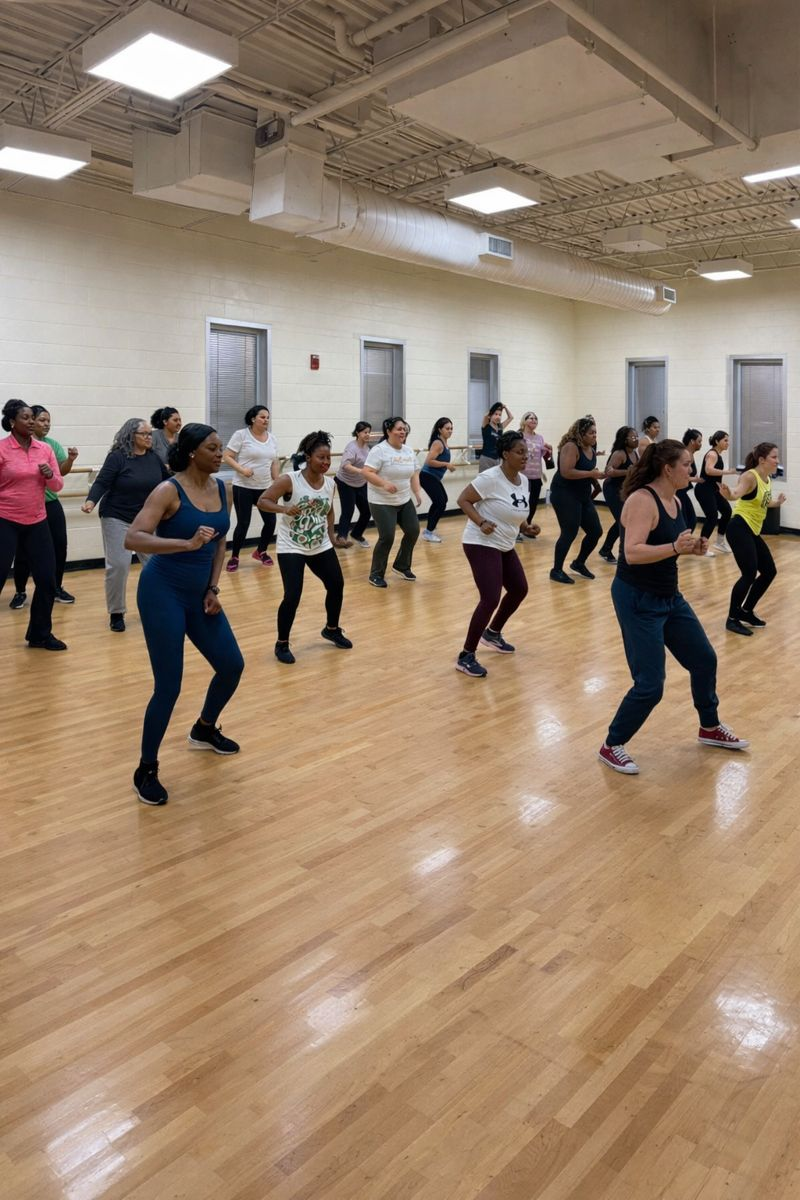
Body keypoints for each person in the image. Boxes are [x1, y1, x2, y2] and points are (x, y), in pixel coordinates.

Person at [598, 440, 748, 775]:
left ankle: (709, 726)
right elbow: (633, 553)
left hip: (669, 596)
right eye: (686, 465)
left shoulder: (676, 499)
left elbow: (671, 547)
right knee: (650, 684)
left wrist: (691, 547)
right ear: (667, 469)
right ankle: (612, 744)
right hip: (637, 598)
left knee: (704, 659)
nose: (692, 471)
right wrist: (675, 547)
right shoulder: (642, 500)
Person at [124, 424, 244, 806]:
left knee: (232, 666)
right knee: (169, 686)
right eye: (212, 448)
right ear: (192, 452)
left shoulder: (223, 489)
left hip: (199, 594)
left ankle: (204, 728)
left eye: (221, 447)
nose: (220, 454)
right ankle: (146, 768)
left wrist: (213, 588)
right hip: (162, 593)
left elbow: (220, 541)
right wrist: (186, 543)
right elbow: (133, 537)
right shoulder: (168, 490)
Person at [258, 430, 351, 664]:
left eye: (328, 458)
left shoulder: (330, 483)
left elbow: (329, 510)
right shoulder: (289, 480)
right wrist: (283, 509)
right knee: (292, 596)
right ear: (308, 457)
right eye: (321, 457)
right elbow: (263, 501)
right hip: (291, 546)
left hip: (320, 544)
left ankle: (331, 629)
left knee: (336, 585)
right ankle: (282, 643)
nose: (326, 462)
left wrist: (331, 536)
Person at [455, 430, 539, 677]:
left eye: (526, 452)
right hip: (480, 541)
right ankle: (466, 655)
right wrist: (481, 522)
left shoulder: (523, 480)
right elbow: (463, 500)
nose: (525, 456)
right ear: (505, 454)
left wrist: (525, 527)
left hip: (504, 542)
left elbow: (515, 510)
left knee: (519, 589)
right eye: (520, 452)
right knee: (490, 598)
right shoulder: (490, 478)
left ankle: (492, 634)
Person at [82, 417, 168, 632]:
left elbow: (167, 481)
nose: (149, 437)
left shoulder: (153, 458)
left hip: (145, 520)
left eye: (150, 433)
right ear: (131, 436)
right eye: (144, 434)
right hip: (117, 517)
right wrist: (91, 501)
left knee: (155, 565)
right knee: (119, 566)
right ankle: (116, 612)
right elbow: (102, 481)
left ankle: (156, 606)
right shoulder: (118, 457)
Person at [0, 399, 66, 650]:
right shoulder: (2, 449)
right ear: (11, 422)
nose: (30, 422)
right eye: (25, 418)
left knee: (47, 579)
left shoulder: (44, 449)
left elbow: (57, 486)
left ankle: (39, 634)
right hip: (5, 520)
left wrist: (50, 475)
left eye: (31, 418)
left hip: (37, 521)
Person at [10, 405, 78, 607]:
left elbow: (60, 473)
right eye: (42, 420)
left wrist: (70, 460)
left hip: (50, 503)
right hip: (25, 508)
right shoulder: (14, 446)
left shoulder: (51, 445)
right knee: (23, 551)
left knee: (59, 546)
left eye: (48, 421)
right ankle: (20, 591)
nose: (46, 424)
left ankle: (56, 588)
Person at [721, 442, 786, 636]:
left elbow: (764, 502)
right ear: (762, 459)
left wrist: (777, 502)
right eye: (774, 457)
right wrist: (729, 494)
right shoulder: (750, 476)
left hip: (751, 531)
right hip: (739, 528)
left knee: (769, 571)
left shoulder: (767, 479)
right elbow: (736, 493)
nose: (777, 461)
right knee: (748, 574)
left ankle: (746, 611)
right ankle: (732, 618)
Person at [361, 416, 421, 587]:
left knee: (413, 531)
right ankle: (376, 574)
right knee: (387, 536)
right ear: (388, 431)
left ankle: (402, 565)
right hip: (381, 501)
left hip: (403, 499)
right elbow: (366, 472)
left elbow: (415, 473)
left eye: (404, 429)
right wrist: (384, 484)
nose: (403, 432)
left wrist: (417, 492)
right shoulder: (379, 450)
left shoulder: (408, 451)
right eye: (399, 429)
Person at [222, 405, 280, 571]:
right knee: (244, 523)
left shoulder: (272, 438)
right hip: (243, 487)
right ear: (253, 419)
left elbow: (275, 461)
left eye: (267, 417)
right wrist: (242, 470)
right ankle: (234, 556)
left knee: (270, 522)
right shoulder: (241, 435)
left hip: (265, 488)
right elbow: (227, 456)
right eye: (262, 417)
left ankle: (261, 551)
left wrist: (277, 480)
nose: (266, 420)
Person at [549, 416, 605, 583]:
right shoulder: (571, 446)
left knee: (596, 531)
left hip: (582, 495)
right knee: (569, 532)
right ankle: (556, 570)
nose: (594, 435)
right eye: (591, 433)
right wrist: (591, 474)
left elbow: (589, 471)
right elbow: (566, 472)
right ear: (581, 434)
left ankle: (579, 563)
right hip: (564, 493)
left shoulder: (591, 448)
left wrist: (599, 477)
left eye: (595, 432)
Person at [598, 426, 638, 563]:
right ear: (625, 439)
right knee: (623, 520)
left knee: (623, 520)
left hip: (624, 490)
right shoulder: (619, 454)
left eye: (637, 436)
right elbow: (608, 471)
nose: (636, 439)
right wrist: (628, 472)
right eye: (633, 437)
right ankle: (623, 554)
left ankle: (605, 549)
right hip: (612, 489)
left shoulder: (635, 454)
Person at [694, 430, 738, 553]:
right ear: (717, 441)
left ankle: (719, 542)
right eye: (725, 440)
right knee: (712, 517)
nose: (728, 443)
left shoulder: (718, 455)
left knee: (727, 511)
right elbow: (708, 470)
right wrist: (727, 472)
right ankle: (701, 547)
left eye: (728, 440)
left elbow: (714, 477)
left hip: (713, 489)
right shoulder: (712, 454)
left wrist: (721, 486)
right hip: (704, 490)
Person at [334, 421, 372, 549]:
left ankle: (356, 534)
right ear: (357, 433)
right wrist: (361, 471)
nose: (368, 435)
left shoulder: (367, 447)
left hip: (360, 483)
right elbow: (345, 465)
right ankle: (341, 538)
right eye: (365, 432)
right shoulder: (351, 447)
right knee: (348, 510)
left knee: (367, 510)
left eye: (369, 432)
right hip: (345, 483)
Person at [420, 417, 457, 542]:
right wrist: (446, 464)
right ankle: (428, 532)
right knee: (440, 503)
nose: (450, 431)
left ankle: (429, 529)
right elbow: (429, 461)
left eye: (451, 428)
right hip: (427, 476)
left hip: (432, 477)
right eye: (447, 428)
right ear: (440, 430)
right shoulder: (438, 443)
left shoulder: (444, 443)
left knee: (441, 501)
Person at [518, 411, 552, 534]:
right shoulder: (519, 436)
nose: (533, 420)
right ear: (524, 421)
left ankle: (527, 527)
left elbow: (541, 455)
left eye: (535, 419)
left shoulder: (540, 438)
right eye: (530, 418)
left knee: (533, 503)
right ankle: (518, 529)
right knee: (521, 503)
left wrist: (548, 450)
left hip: (536, 475)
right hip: (522, 475)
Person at [676, 428, 702, 536]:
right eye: (699, 441)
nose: (701, 444)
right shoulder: (685, 454)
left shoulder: (690, 454)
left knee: (691, 521)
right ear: (692, 441)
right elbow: (680, 475)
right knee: (688, 521)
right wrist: (695, 479)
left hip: (683, 491)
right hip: (678, 491)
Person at [477, 402, 514, 472]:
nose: (498, 416)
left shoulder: (500, 427)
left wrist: (505, 408)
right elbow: (485, 415)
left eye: (500, 415)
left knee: (496, 477)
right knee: (485, 477)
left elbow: (511, 417)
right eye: (495, 414)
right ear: (490, 416)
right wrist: (497, 405)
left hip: (497, 458)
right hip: (486, 458)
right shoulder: (486, 425)